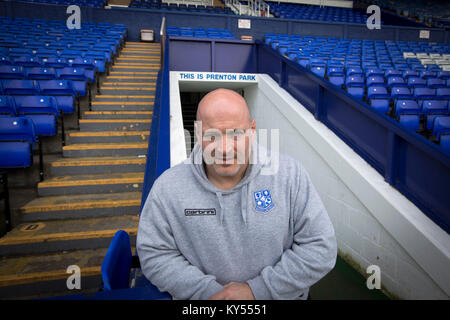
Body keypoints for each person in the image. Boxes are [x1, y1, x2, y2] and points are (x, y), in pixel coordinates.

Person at [137, 88, 337, 300]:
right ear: (197, 133)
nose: (225, 149)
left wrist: (257, 291)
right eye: (211, 135)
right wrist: (212, 294)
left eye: (236, 134)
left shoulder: (290, 175)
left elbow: (320, 246)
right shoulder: (168, 188)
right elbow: (154, 253)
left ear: (252, 130)